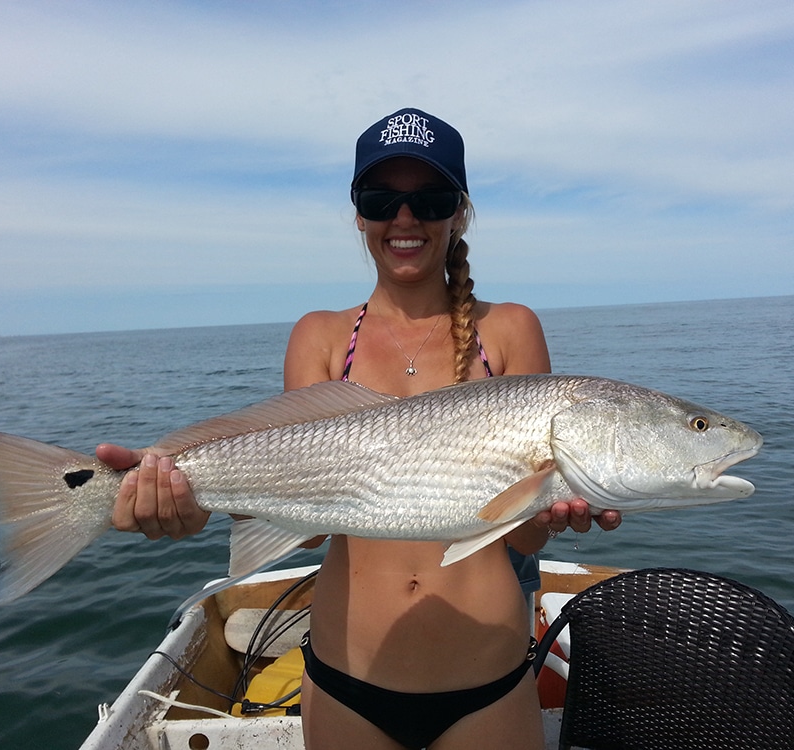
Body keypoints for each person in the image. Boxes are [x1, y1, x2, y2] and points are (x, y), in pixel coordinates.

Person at [97, 108, 621, 750]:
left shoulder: (510, 328)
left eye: (429, 200)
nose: (405, 219)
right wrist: (193, 502)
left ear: (460, 212)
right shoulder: (318, 336)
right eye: (381, 199)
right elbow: (312, 524)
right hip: (348, 681)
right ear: (359, 215)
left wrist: (558, 510)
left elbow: (524, 539)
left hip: (489, 682)